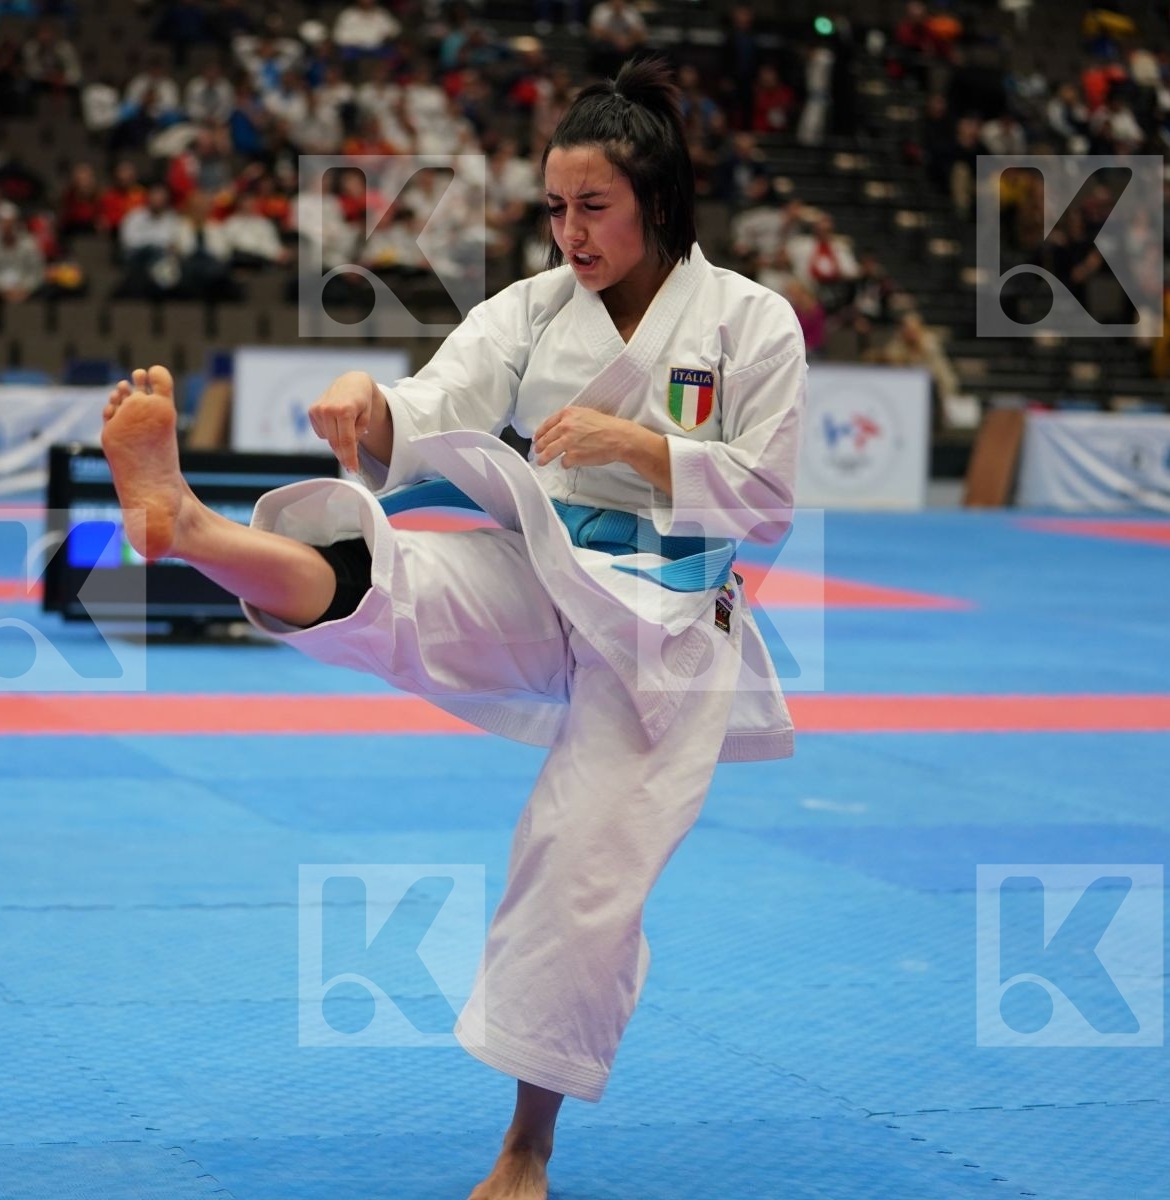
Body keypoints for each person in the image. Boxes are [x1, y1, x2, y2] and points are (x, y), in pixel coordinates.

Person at [98, 59, 801, 1200]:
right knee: (391, 581)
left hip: (668, 632)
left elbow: (767, 499)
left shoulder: (751, 322)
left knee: (581, 872)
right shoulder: (533, 309)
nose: (570, 232)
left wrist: (638, 448)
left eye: (594, 207)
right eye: (556, 207)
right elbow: (436, 403)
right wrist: (372, 406)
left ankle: (526, 1150)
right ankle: (190, 525)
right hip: (546, 566)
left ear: (660, 202)